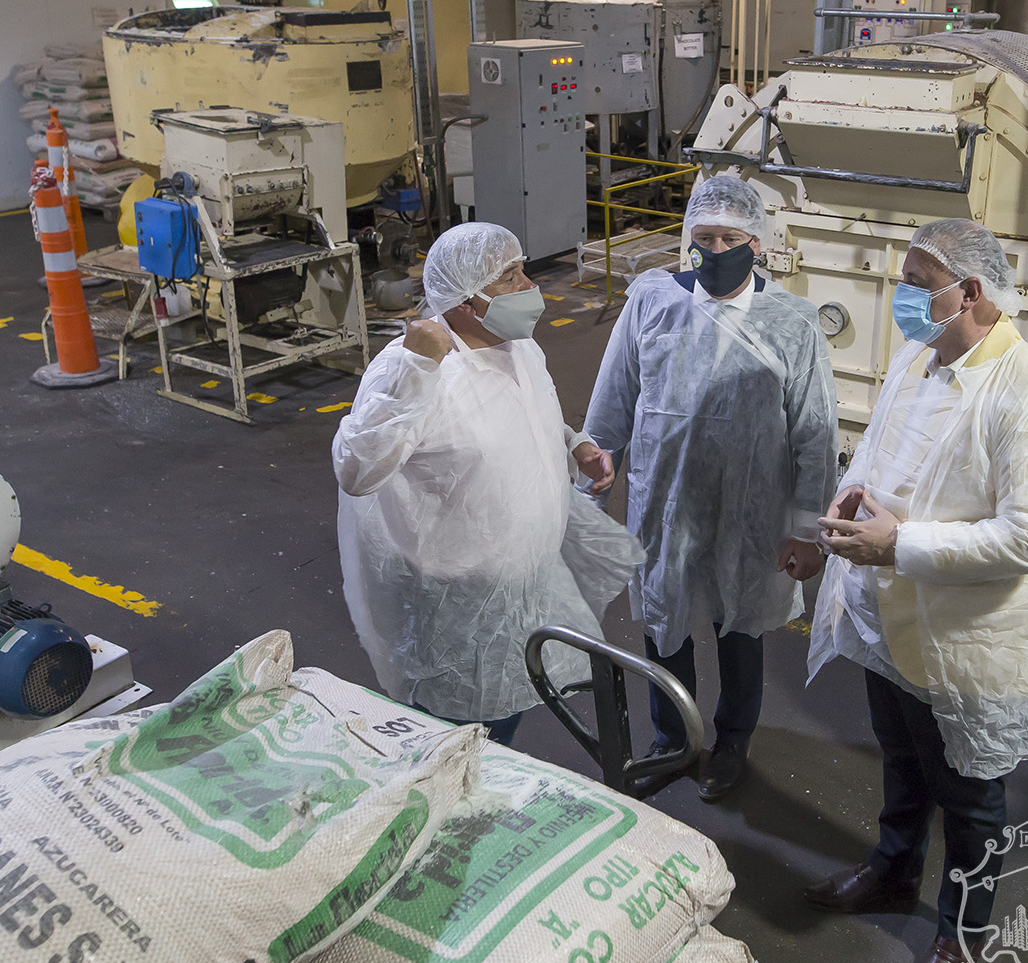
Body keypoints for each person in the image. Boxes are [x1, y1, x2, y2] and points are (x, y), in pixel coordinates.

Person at [802, 218, 1028, 963]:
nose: (901, 296)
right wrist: (851, 496)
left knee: (969, 800)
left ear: (971, 291)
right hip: (892, 619)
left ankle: (961, 937)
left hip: (968, 639)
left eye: (916, 282)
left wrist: (899, 544)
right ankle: (893, 871)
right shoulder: (916, 359)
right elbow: (880, 456)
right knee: (900, 760)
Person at [333, 222, 640, 744]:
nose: (529, 286)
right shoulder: (415, 369)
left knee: (506, 710)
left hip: (525, 577)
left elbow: (523, 415)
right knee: (455, 737)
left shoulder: (519, 346)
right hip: (458, 601)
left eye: (522, 270)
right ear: (463, 300)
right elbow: (357, 470)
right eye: (509, 277)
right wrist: (416, 368)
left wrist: (574, 444)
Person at [584, 174, 837, 799]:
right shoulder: (654, 301)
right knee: (663, 620)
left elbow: (814, 432)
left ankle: (732, 741)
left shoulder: (792, 322)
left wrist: (808, 531)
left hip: (750, 510)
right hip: (664, 502)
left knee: (740, 627)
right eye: (704, 238)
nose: (716, 250)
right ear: (687, 240)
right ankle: (672, 738)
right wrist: (595, 477)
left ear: (758, 244)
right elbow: (615, 393)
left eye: (731, 238)